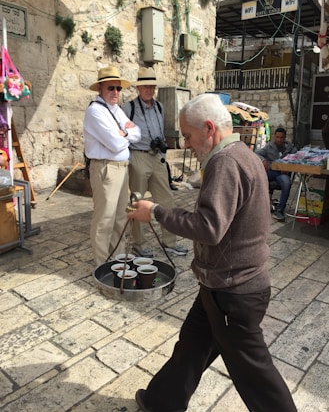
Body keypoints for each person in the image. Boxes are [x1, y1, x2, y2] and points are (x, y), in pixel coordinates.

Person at [127, 93, 297, 412]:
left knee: (255, 374)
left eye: (188, 136)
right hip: (222, 284)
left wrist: (156, 212)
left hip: (235, 291)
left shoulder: (225, 162)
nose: (187, 144)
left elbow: (208, 227)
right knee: (192, 346)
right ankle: (160, 402)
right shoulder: (244, 155)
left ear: (208, 128)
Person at [122, 67, 187, 258]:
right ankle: (138, 244)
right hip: (138, 156)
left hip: (157, 157)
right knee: (135, 201)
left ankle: (170, 243)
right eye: (145, 86)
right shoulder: (129, 108)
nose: (149, 89)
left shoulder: (159, 106)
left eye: (152, 86)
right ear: (138, 88)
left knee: (167, 200)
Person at [83, 65, 141, 266]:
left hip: (121, 167)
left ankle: (115, 260)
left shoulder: (115, 110)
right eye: (111, 88)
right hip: (106, 168)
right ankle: (101, 265)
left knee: (120, 218)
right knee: (104, 219)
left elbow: (137, 133)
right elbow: (115, 144)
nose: (115, 92)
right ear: (100, 89)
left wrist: (124, 134)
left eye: (118, 88)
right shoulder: (95, 111)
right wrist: (127, 136)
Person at [256, 127, 297, 222]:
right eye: (277, 137)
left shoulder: (290, 147)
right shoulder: (269, 146)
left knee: (287, 183)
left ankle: (280, 210)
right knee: (262, 175)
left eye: (282, 137)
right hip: (271, 172)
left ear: (285, 137)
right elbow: (256, 154)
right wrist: (264, 160)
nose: (279, 139)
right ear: (275, 137)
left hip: (282, 174)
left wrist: (288, 167)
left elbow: (297, 157)